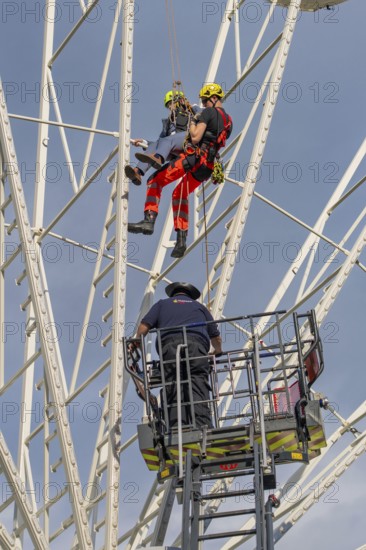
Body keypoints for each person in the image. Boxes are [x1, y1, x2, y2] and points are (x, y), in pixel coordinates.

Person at [128, 83, 233, 258]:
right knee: (180, 194)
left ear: (213, 99)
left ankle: (149, 220)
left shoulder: (206, 112)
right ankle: (181, 240)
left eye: (206, 101)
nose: (205, 103)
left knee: (155, 181)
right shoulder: (229, 121)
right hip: (207, 167)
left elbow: (195, 136)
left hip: (193, 158)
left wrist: (192, 122)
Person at [135, 282, 222, 429]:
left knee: (173, 382)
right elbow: (215, 336)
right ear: (190, 295)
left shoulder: (162, 304)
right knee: (198, 382)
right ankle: (202, 426)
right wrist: (217, 351)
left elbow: (144, 327)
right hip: (196, 346)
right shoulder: (200, 307)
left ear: (173, 293)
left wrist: (136, 341)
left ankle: (176, 426)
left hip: (169, 347)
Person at [124, 90, 199, 186]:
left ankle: (158, 158)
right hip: (172, 149)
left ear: (178, 100)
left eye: (170, 104)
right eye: (168, 106)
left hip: (188, 140)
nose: (169, 108)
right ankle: (137, 172)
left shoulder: (191, 109)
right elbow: (160, 143)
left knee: (166, 141)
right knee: (157, 144)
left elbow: (204, 115)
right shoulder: (169, 123)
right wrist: (144, 142)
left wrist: (191, 108)